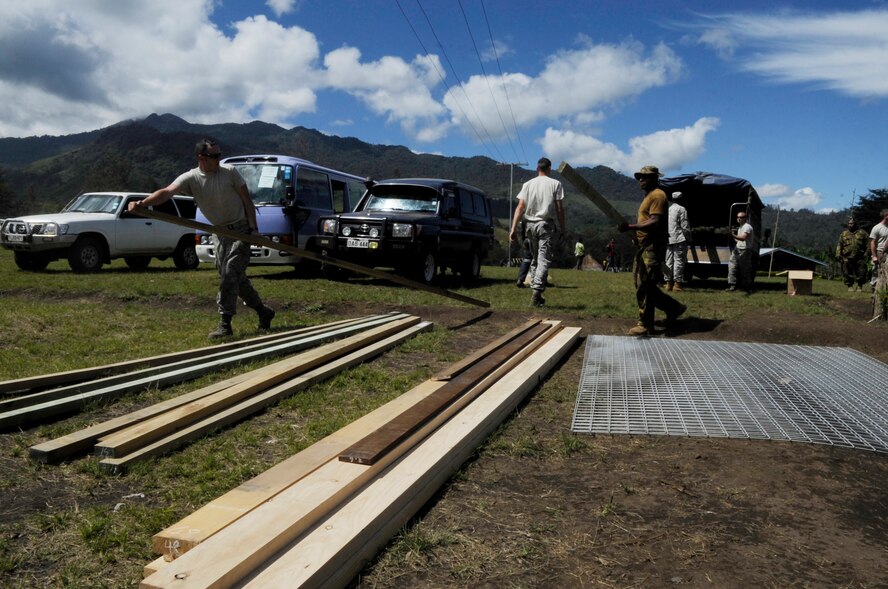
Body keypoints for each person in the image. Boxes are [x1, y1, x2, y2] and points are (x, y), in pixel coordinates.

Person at [129, 139, 275, 339]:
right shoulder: (191, 178)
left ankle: (225, 324)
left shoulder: (229, 172)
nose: (218, 159)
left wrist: (254, 229)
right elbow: (166, 192)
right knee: (236, 279)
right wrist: (143, 203)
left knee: (230, 272)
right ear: (201, 158)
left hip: (240, 230)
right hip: (219, 232)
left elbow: (247, 201)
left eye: (219, 155)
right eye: (214, 156)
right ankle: (263, 312)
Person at [618, 165, 686, 336]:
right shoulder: (649, 196)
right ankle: (674, 307)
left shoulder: (657, 195)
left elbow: (655, 222)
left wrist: (630, 226)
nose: (641, 179)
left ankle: (645, 324)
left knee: (644, 285)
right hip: (645, 246)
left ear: (655, 178)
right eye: (640, 177)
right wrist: (636, 236)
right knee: (643, 284)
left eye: (645, 177)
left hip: (652, 247)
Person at [508, 157, 566, 306]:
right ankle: (537, 290)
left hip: (529, 225)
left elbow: (520, 207)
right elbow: (559, 208)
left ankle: (536, 290)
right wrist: (563, 228)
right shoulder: (555, 184)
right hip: (545, 224)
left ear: (537, 168)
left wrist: (513, 229)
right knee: (543, 258)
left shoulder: (527, 184)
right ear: (549, 168)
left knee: (534, 258)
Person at [663, 191, 691, 291]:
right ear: (680, 199)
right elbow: (684, 225)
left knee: (669, 261)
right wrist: (688, 238)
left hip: (669, 239)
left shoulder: (668, 209)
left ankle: (668, 283)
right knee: (679, 261)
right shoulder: (681, 209)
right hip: (679, 238)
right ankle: (677, 285)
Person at [835, 218, 869, 291]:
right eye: (849, 223)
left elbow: (868, 244)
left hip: (860, 256)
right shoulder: (844, 234)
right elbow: (839, 245)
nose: (850, 225)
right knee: (847, 272)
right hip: (847, 257)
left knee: (861, 272)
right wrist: (838, 254)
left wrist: (866, 253)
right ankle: (849, 286)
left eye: (852, 223)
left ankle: (859, 286)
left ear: (855, 224)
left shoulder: (862, 233)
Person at [727, 210, 754, 293]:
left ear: (745, 218)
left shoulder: (747, 227)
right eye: (738, 217)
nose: (739, 219)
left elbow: (743, 238)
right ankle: (732, 285)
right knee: (732, 266)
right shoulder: (740, 228)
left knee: (745, 270)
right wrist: (732, 237)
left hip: (745, 250)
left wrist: (732, 235)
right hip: (737, 249)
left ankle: (747, 288)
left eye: (741, 217)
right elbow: (739, 240)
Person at [869, 209, 888, 318]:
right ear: (886, 216)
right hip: (880, 253)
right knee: (875, 277)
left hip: (887, 254)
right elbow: (872, 242)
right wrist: (874, 256)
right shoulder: (877, 228)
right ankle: (873, 297)